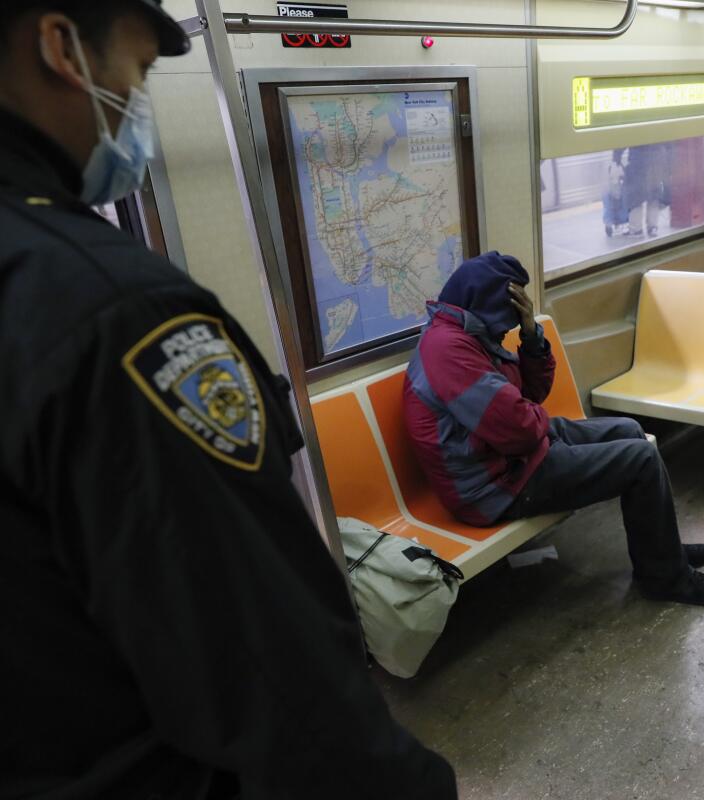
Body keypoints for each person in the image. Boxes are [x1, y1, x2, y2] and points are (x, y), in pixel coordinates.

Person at [0, 2, 456, 797]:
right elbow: (264, 665)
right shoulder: (116, 317)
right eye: (138, 74)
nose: (137, 106)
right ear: (61, 47)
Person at [403, 252, 704, 606]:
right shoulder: (449, 351)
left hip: (510, 458)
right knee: (640, 459)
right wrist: (531, 417)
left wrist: (531, 335)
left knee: (629, 429)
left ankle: (663, 551)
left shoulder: (471, 335)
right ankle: (665, 579)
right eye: (507, 321)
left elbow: (530, 397)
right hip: (492, 487)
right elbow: (521, 430)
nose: (505, 330)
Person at [603, 148, 628, 237]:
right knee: (622, 208)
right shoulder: (618, 165)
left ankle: (609, 225)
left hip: (610, 192)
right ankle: (620, 225)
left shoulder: (611, 165)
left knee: (610, 209)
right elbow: (619, 179)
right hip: (617, 191)